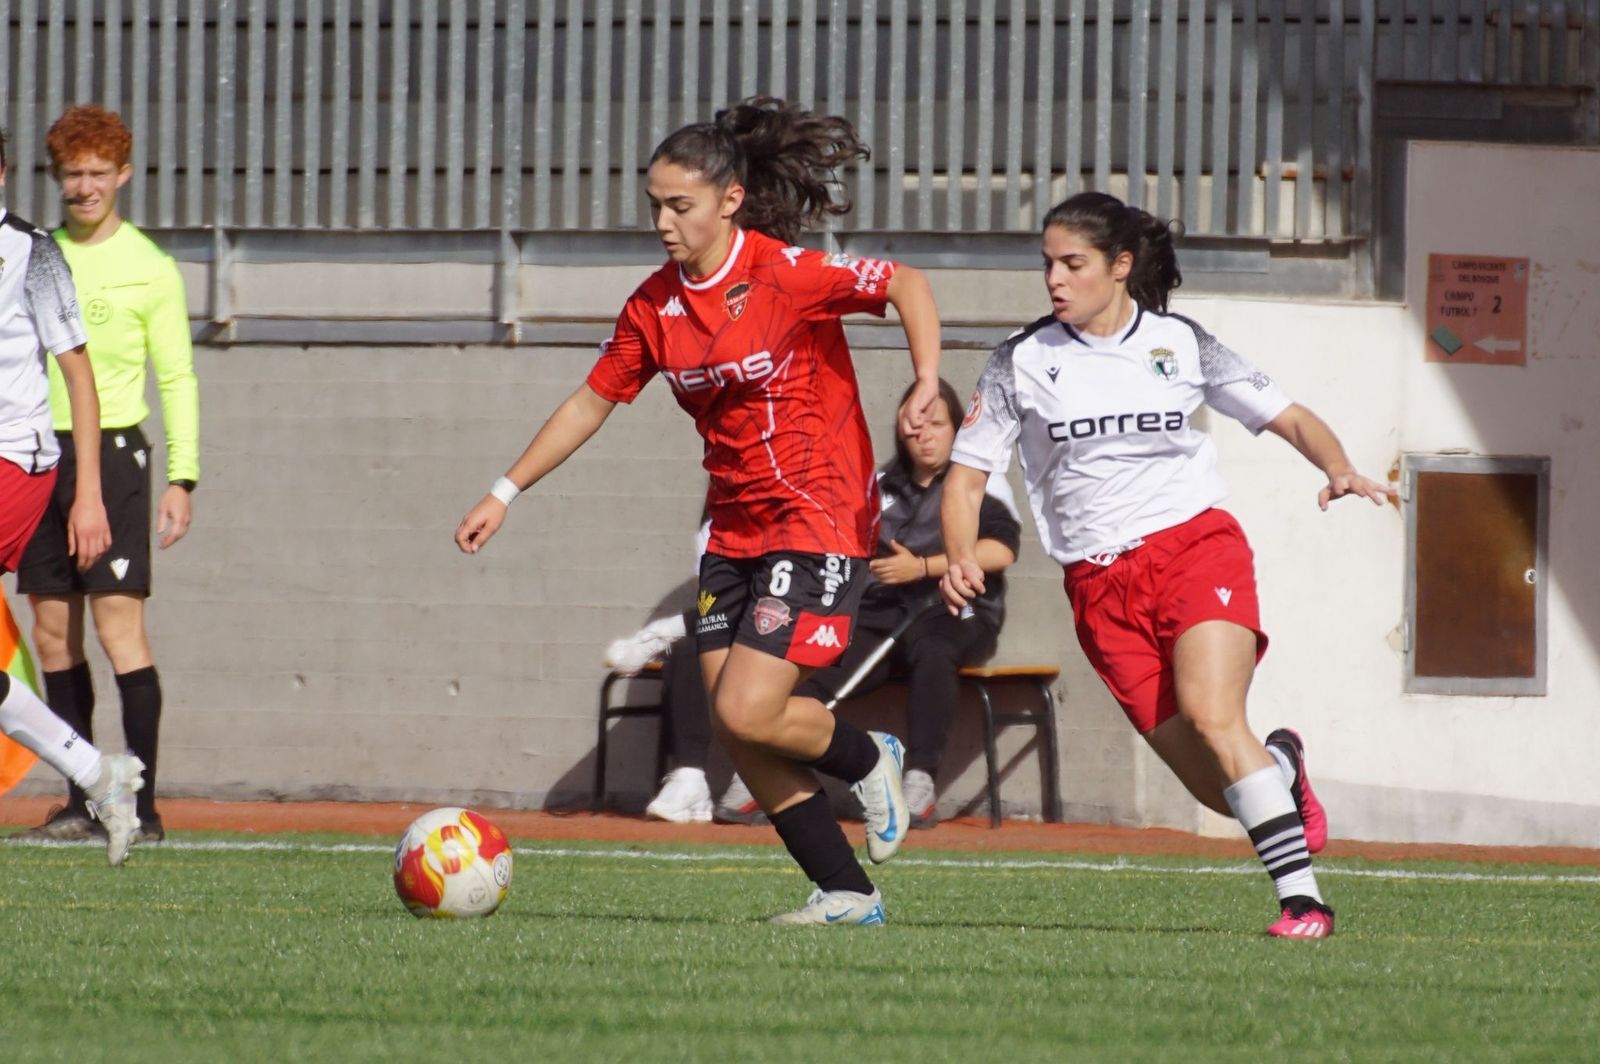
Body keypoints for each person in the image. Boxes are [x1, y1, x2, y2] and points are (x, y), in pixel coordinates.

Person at [457, 96, 943, 925]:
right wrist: (504, 491)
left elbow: (904, 283)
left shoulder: (783, 273)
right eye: (654, 204)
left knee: (747, 708)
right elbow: (590, 402)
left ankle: (870, 756)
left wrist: (927, 380)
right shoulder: (654, 306)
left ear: (728, 200)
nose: (663, 222)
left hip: (816, 513)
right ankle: (846, 891)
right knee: (741, 730)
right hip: (735, 529)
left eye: (679, 205)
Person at [940, 191, 1393, 940]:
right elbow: (965, 478)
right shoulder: (1019, 361)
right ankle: (1281, 768)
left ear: (1120, 266)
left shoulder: (1181, 343)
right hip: (1098, 585)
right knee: (1220, 791)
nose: (1054, 279)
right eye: (1047, 264)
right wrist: (959, 553)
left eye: (1072, 263)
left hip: (1193, 547)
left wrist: (1339, 465)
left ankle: (1304, 903)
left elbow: (1290, 414)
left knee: (1216, 715)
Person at [9, 106, 199, 846]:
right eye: (72, 175)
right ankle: (86, 800)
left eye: (98, 173)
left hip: (114, 455)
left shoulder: (151, 268)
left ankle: (143, 809)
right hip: (35, 458)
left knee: (121, 630)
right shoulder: (34, 255)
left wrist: (184, 476)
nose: (85, 187)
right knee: (53, 635)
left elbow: (177, 377)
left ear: (123, 175)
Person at [716, 377, 1022, 828]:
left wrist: (921, 568)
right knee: (820, 658)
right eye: (915, 427)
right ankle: (768, 773)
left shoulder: (978, 483)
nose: (926, 435)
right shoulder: (876, 487)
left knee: (934, 651)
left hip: (951, 612)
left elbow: (1001, 551)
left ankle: (918, 779)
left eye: (937, 424)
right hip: (879, 615)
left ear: (957, 429)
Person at [0, 123, 146, 866]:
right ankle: (99, 774)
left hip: (15, 463)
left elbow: (80, 378)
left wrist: (86, 492)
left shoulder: (34, 254)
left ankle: (99, 775)